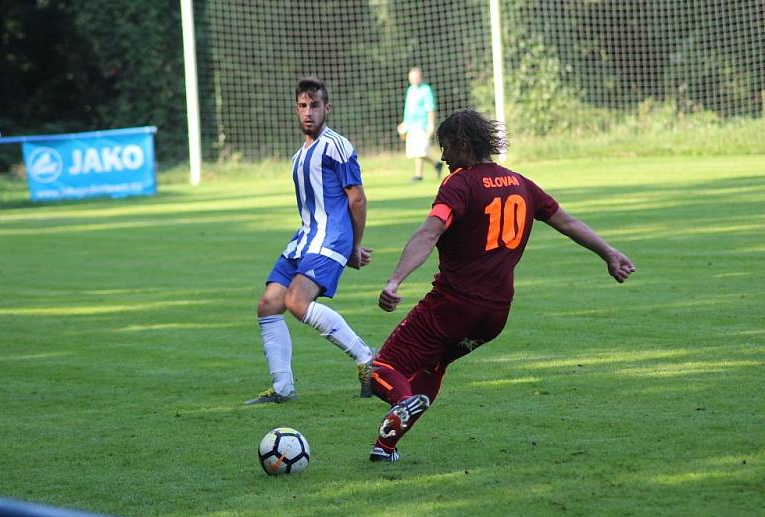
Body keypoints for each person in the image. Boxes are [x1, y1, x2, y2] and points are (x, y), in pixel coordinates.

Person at [368, 109, 636, 462]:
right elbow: (567, 222)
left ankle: (403, 402)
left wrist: (395, 279)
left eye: (446, 147)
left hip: (451, 306)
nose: (444, 157)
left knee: (379, 371)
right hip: (494, 316)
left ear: (463, 144)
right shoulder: (521, 184)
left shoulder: (459, 184)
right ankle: (385, 447)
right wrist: (609, 253)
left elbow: (430, 231)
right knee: (433, 366)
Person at [245, 78, 375, 405]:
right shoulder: (297, 156)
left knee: (296, 302)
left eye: (314, 105)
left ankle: (367, 358)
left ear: (327, 109)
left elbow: (357, 199)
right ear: (296, 109)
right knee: (268, 305)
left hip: (331, 238)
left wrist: (353, 246)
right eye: (303, 106)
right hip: (304, 239)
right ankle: (283, 387)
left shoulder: (336, 145)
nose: (308, 112)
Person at [397, 68, 443, 182]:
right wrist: (405, 123)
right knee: (415, 151)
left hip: (422, 124)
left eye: (415, 78)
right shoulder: (410, 90)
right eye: (411, 78)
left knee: (420, 150)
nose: (413, 80)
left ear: (420, 77)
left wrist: (431, 125)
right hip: (411, 125)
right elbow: (408, 109)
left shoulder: (426, 90)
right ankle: (434, 165)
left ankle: (420, 174)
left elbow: (430, 108)